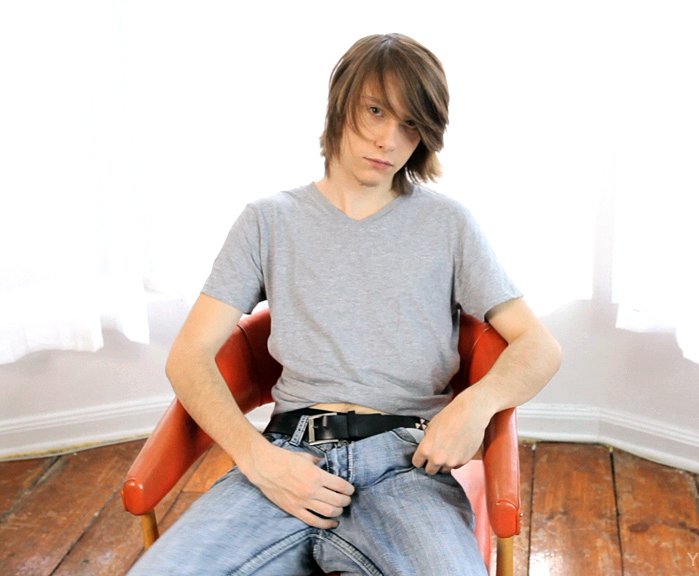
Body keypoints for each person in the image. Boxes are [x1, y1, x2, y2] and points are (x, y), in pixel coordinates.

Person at [126, 33, 562, 576]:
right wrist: (257, 458)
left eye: (410, 125)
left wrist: (475, 405)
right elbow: (188, 357)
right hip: (287, 459)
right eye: (375, 111)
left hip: (407, 467)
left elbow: (539, 346)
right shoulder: (268, 220)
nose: (388, 140)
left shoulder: (447, 223)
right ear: (340, 104)